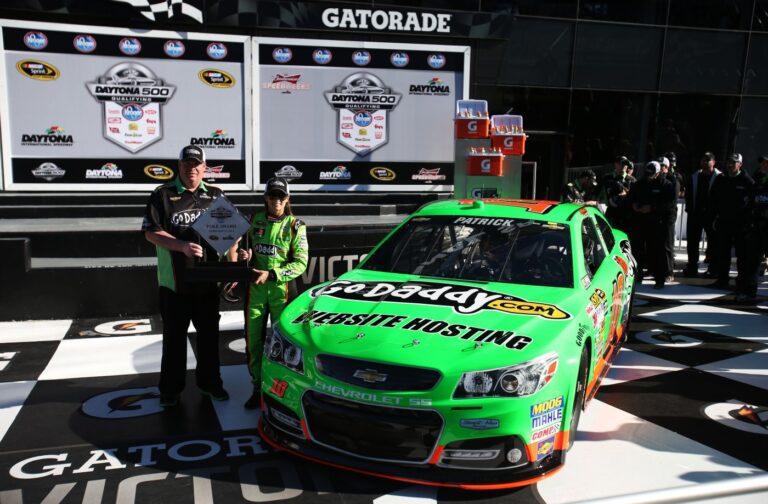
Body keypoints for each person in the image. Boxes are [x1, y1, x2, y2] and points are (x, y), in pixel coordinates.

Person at [142, 145, 229, 407]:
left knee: (209, 341)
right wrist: (181, 246)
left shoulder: (216, 195)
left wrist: (235, 266)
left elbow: (232, 234)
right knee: (174, 342)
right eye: (187, 164)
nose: (191, 169)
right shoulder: (162, 194)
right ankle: (170, 391)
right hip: (174, 286)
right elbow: (150, 232)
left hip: (207, 284)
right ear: (179, 166)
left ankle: (211, 384)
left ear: (204, 167)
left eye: (196, 164)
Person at [235, 177, 308, 409]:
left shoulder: (296, 225)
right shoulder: (254, 220)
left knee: (284, 345)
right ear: (265, 197)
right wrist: (245, 255)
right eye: (272, 196)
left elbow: (301, 263)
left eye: (281, 196)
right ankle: (257, 386)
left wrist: (273, 274)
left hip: (282, 292)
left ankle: (282, 389)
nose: (276, 200)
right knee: (253, 342)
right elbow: (245, 250)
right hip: (255, 291)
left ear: (287, 199)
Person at [709, 153, 755, 292]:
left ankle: (741, 281)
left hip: (741, 224)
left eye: (734, 162)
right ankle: (722, 278)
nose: (730, 165)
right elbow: (713, 199)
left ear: (740, 164)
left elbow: (752, 203)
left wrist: (748, 221)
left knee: (742, 254)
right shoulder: (721, 179)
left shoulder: (747, 181)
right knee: (722, 252)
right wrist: (715, 216)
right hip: (724, 221)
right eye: (729, 162)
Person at [682, 152, 721, 277]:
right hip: (696, 214)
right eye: (703, 159)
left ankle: (713, 268)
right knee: (692, 242)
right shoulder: (695, 176)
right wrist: (689, 209)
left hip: (712, 215)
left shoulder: (720, 177)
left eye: (708, 160)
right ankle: (692, 266)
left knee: (713, 242)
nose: (705, 162)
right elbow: (688, 194)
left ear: (713, 162)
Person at [740, 156, 768, 302]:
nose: (763, 165)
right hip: (757, 227)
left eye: (766, 163)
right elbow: (750, 204)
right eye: (762, 163)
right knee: (752, 262)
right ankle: (749, 293)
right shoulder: (757, 182)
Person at [656, 156, 680, 284]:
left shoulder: (673, 180)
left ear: (668, 167)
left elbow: (672, 200)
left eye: (663, 166)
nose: (661, 169)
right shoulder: (656, 179)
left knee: (667, 244)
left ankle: (669, 272)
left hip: (668, 216)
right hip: (656, 216)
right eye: (659, 166)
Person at [603, 156, 633, 231]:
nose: (623, 166)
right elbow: (595, 194)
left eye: (625, 164)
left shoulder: (632, 180)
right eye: (621, 163)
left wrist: (627, 195)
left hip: (626, 215)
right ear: (615, 164)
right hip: (611, 213)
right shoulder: (606, 178)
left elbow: (636, 198)